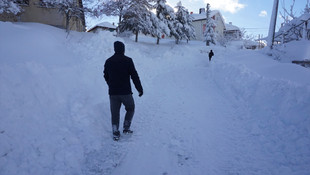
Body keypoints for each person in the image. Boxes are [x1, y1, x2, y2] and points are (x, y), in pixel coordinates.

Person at [103, 41, 143, 141]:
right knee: (130, 108)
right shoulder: (128, 60)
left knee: (115, 113)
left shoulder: (108, 61)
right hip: (126, 92)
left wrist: (110, 84)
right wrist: (139, 89)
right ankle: (126, 127)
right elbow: (134, 76)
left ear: (115, 49)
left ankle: (115, 132)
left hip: (113, 93)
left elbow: (105, 75)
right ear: (123, 49)